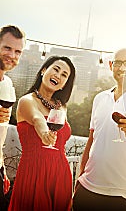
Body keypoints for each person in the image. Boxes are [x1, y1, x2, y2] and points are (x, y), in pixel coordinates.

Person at [72, 48, 126, 210]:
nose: (123, 68)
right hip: (87, 188)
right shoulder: (100, 98)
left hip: (121, 193)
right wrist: (80, 177)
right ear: (111, 65)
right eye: (118, 63)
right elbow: (92, 139)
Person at [8, 56, 76, 210]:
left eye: (64, 75)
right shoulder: (27, 100)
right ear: (44, 71)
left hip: (60, 175)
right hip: (34, 173)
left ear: (64, 84)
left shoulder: (62, 108)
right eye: (56, 69)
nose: (58, 76)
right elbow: (37, 119)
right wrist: (45, 134)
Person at [0, 25, 25, 210]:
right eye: (7, 48)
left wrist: (2, 169)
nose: (12, 55)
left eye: (18, 51)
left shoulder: (8, 84)